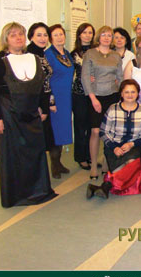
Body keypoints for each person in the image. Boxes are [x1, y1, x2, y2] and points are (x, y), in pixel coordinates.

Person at [0, 22, 57, 207]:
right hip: (8, 116)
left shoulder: (33, 58)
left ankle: (38, 191)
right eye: (13, 35)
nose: (18, 38)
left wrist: (42, 108)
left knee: (35, 153)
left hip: (32, 115)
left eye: (21, 34)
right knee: (12, 156)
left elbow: (41, 87)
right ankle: (15, 196)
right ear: (6, 39)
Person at [86, 80, 141, 199]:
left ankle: (106, 186)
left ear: (138, 93)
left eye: (133, 92)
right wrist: (114, 147)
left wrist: (131, 144)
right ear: (121, 94)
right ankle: (106, 185)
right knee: (127, 169)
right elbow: (103, 132)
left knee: (131, 163)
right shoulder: (113, 109)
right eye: (126, 92)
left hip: (134, 147)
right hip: (113, 147)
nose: (130, 95)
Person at [82, 25, 123, 180]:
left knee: (109, 132)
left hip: (112, 96)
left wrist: (121, 95)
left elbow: (120, 77)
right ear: (98, 37)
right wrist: (93, 98)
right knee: (95, 131)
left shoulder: (116, 55)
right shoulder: (90, 54)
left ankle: (106, 161)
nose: (107, 38)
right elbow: (85, 77)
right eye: (104, 35)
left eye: (109, 35)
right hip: (96, 96)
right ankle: (93, 165)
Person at [44, 24, 74, 178]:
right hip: (55, 98)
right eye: (55, 35)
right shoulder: (48, 55)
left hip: (66, 98)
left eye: (61, 34)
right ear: (50, 38)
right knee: (55, 132)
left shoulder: (67, 54)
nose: (59, 37)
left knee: (62, 131)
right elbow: (46, 80)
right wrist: (51, 101)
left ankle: (59, 162)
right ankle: (54, 164)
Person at [25, 22, 57, 155]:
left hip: (44, 101)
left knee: (44, 141)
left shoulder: (42, 54)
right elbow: (29, 85)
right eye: (39, 35)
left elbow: (46, 82)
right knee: (35, 142)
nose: (43, 38)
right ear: (31, 37)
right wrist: (38, 106)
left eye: (45, 35)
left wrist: (50, 102)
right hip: (34, 104)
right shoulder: (28, 55)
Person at [70, 22, 95, 170]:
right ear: (79, 35)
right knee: (80, 127)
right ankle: (80, 157)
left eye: (90, 32)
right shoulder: (74, 54)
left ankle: (90, 155)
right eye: (84, 32)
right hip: (79, 94)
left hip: (94, 94)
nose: (87, 35)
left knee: (92, 127)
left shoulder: (97, 52)